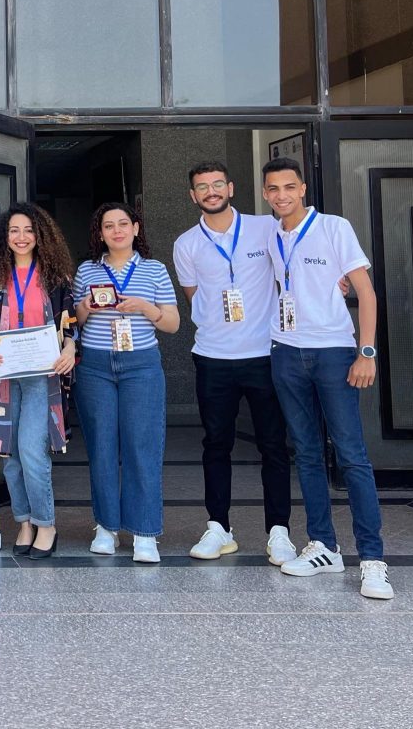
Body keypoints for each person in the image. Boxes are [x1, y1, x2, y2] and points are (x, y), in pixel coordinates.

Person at [262, 157, 393, 600]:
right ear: (265, 194)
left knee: (352, 455)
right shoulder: (271, 234)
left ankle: (372, 559)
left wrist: (366, 352)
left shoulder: (334, 227)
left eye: (289, 187)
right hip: (285, 351)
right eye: (273, 189)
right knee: (307, 453)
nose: (281, 195)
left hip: (334, 352)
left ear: (302, 189)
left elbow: (366, 292)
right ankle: (324, 546)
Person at [172, 162, 295, 565]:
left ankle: (279, 531)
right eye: (202, 186)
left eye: (217, 184)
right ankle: (218, 527)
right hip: (213, 357)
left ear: (231, 187)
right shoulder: (187, 244)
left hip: (265, 354)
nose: (210, 191)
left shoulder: (265, 227)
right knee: (215, 444)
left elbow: (292, 269)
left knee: (273, 445)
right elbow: (195, 296)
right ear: (193, 195)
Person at [73, 202, 180, 563]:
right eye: (108, 226)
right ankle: (106, 527)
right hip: (95, 366)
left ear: (135, 228)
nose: (116, 231)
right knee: (101, 446)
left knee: (142, 446)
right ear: (100, 233)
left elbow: (173, 324)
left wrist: (144, 308)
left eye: (123, 224)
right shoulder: (87, 270)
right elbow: (74, 322)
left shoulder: (154, 269)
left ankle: (145, 532)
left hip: (141, 366)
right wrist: (86, 306)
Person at [0, 203, 76, 559]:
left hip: (43, 376)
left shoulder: (54, 277)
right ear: (4, 237)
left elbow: (69, 322)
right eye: (14, 231)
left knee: (33, 451)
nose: (22, 237)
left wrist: (70, 347)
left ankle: (46, 524)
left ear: (40, 235)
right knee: (11, 455)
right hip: (7, 375)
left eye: (29, 230)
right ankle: (24, 523)